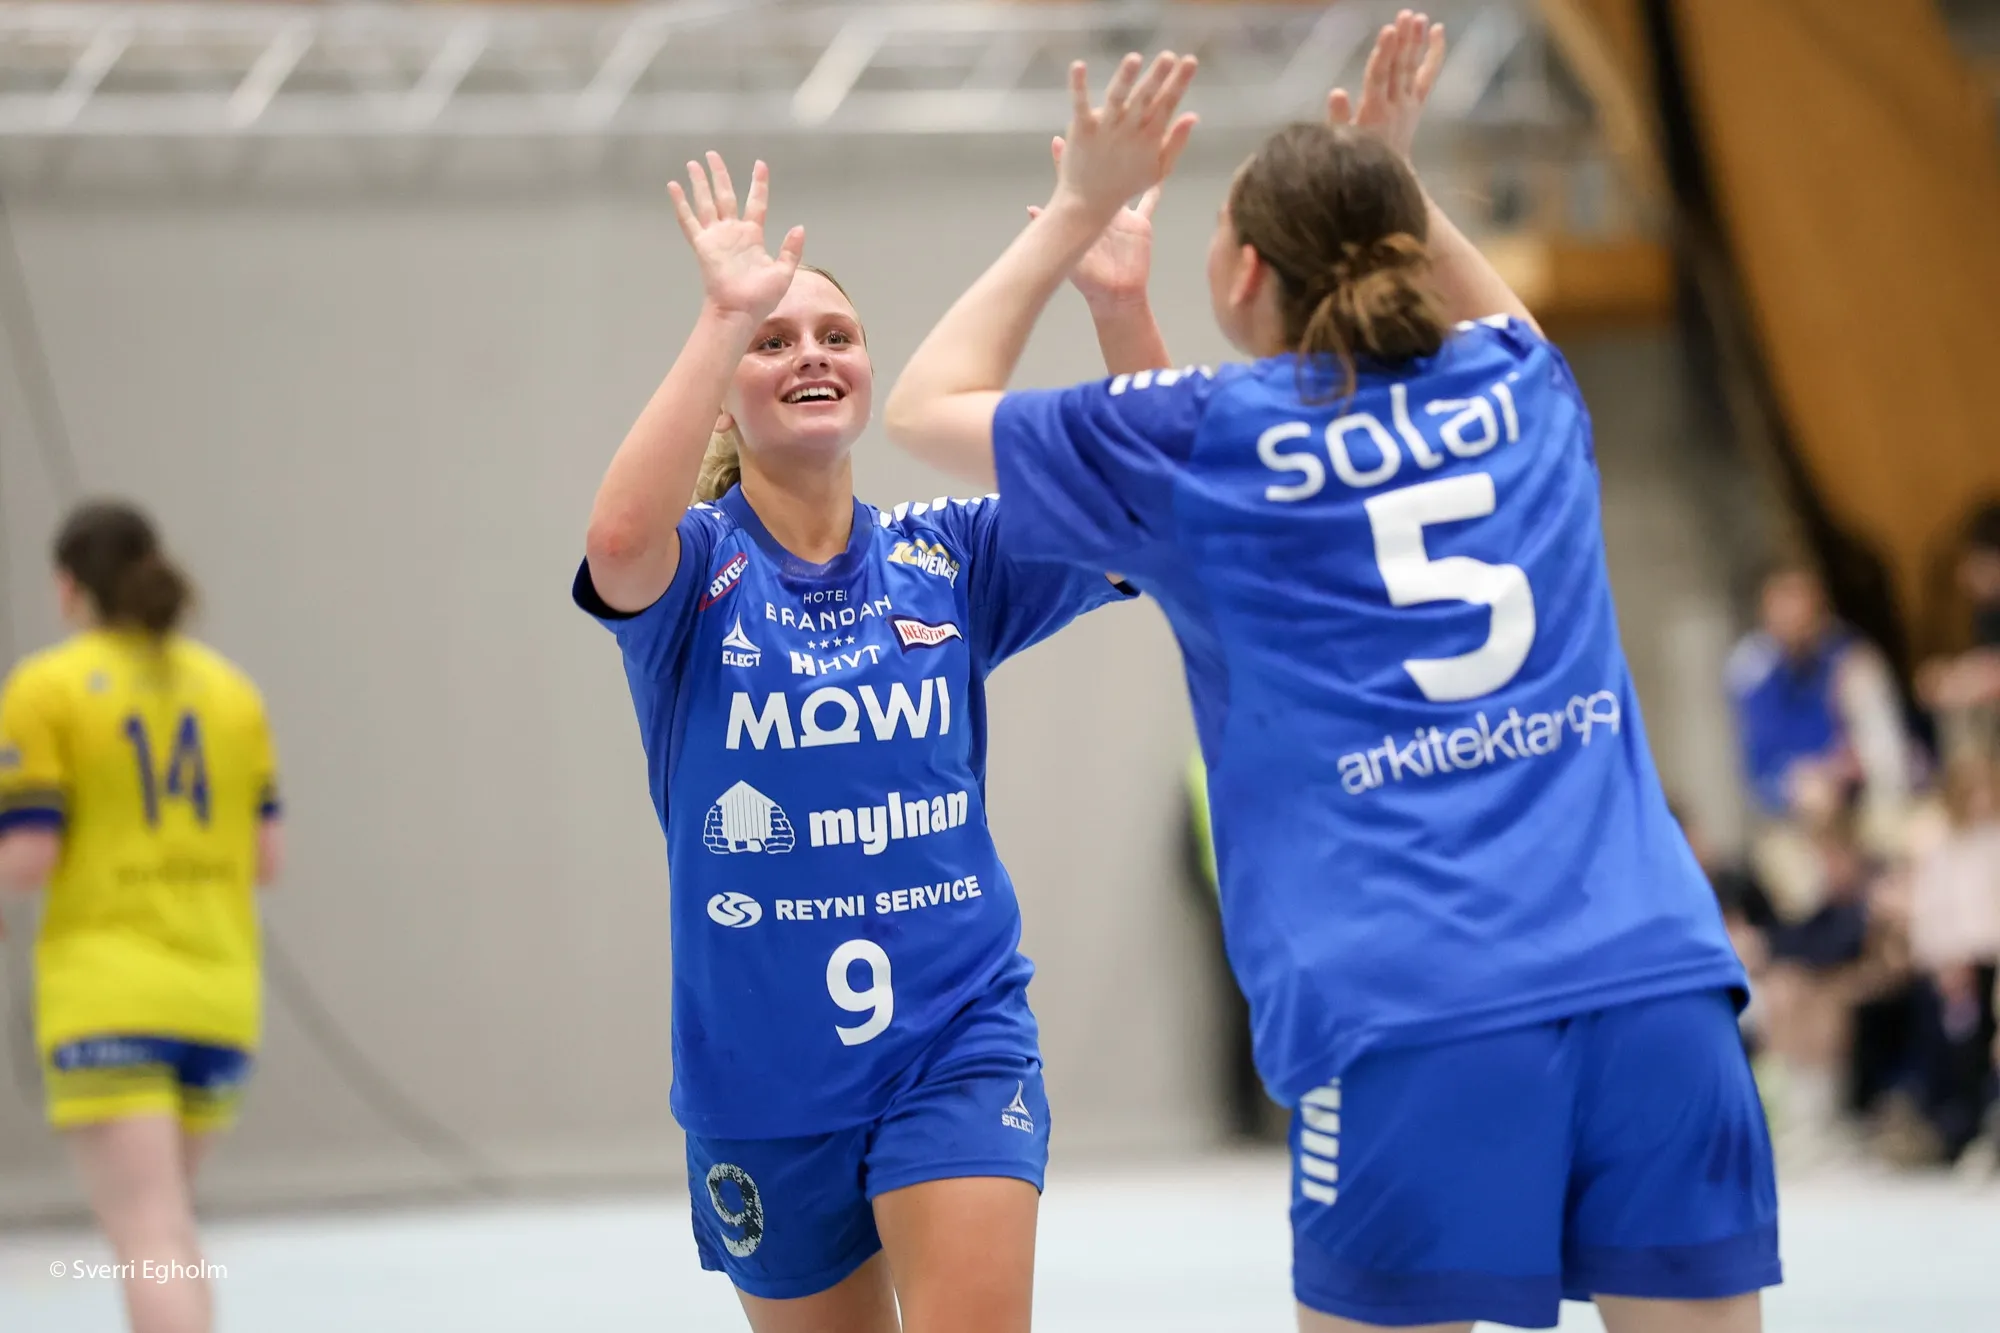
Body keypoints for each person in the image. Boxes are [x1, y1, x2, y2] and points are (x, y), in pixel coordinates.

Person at [884, 14, 1779, 1332]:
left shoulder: (1208, 438)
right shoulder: (1524, 387)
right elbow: (1464, 328)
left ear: (1244, 272)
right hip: (1656, 983)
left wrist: (1074, 211)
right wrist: (1394, 181)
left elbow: (924, 407)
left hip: (1411, 1007)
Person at [574, 151, 1147, 1332]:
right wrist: (719, 312)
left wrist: (1116, 306)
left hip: (954, 1032)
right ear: (724, 392)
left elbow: (1146, 507)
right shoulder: (696, 572)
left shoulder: (947, 554)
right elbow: (617, 542)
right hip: (762, 1073)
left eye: (835, 335)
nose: (811, 354)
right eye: (772, 342)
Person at [0, 501, 283, 1333]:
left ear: (68, 586)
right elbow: (267, 858)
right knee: (168, 1228)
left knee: (147, 1234)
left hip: (109, 992)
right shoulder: (230, 691)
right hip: (219, 995)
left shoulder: (48, 687)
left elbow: (30, 851)